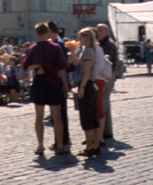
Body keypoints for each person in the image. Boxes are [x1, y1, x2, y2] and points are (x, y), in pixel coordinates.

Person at [23, 22, 69, 156]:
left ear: (36, 33)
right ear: (48, 32)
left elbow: (26, 66)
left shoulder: (32, 48)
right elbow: (62, 68)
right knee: (57, 116)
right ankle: (60, 145)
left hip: (39, 81)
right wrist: (65, 84)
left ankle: (40, 146)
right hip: (53, 82)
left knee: (39, 116)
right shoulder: (55, 47)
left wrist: (38, 64)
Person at [71, 28, 101, 157]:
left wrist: (82, 87)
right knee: (93, 118)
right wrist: (72, 50)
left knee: (87, 119)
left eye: (80, 37)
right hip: (89, 85)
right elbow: (76, 62)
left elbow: (87, 71)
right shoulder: (85, 50)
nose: (79, 40)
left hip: (87, 85)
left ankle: (89, 148)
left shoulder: (88, 51)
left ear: (86, 38)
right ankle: (96, 147)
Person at [47, 20, 71, 149]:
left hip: (58, 80)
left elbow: (61, 65)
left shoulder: (59, 44)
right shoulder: (56, 43)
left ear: (49, 30)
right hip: (56, 79)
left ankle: (63, 140)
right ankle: (61, 139)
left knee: (60, 113)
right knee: (57, 113)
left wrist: (64, 83)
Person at [96, 23, 117, 139]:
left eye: (101, 30)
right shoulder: (100, 43)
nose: (98, 31)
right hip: (102, 75)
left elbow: (108, 62)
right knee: (105, 104)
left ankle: (100, 133)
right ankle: (107, 131)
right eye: (97, 29)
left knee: (101, 104)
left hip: (106, 76)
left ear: (107, 32)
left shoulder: (109, 44)